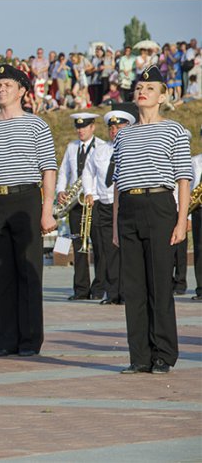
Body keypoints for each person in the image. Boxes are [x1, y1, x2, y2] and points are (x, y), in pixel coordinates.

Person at [0, 64, 57, 358]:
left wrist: (47, 210)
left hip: (26, 200)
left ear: (22, 90)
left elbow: (48, 169)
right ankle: (4, 341)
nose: (1, 89)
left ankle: (30, 341)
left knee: (28, 272)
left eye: (7, 84)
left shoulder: (37, 125)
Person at [112, 65, 192, 374]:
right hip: (129, 207)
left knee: (160, 283)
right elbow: (118, 183)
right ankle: (139, 356)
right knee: (133, 287)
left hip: (159, 204)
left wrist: (182, 219)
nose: (142, 92)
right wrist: (118, 224)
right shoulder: (123, 136)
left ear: (162, 96)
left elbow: (184, 178)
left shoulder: (174, 130)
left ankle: (163, 353)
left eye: (150, 89)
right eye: (139, 89)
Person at [82, 104, 138, 305]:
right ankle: (112, 292)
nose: (114, 131)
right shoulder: (100, 151)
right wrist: (90, 193)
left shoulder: (133, 147)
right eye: (111, 128)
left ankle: (128, 292)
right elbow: (88, 172)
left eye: (119, 127)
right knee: (109, 251)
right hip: (105, 204)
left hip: (126, 203)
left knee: (129, 251)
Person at [56, 113, 107, 301]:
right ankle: (81, 289)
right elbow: (63, 172)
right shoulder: (71, 147)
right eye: (78, 127)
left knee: (99, 245)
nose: (80, 130)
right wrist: (61, 190)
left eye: (84, 127)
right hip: (76, 205)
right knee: (78, 245)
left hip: (94, 201)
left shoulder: (102, 146)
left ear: (92, 127)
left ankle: (100, 287)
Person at [191, 152, 202, 301]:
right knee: (199, 248)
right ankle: (201, 288)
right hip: (198, 209)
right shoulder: (195, 161)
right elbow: (190, 187)